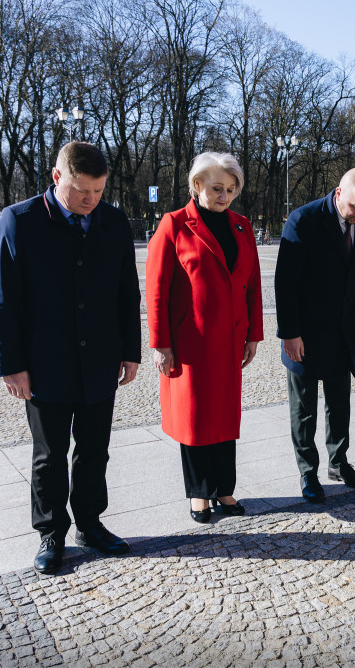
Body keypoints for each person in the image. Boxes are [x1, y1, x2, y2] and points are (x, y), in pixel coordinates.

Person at [0, 141, 142, 575]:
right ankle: (51, 533)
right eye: (81, 191)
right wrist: (10, 364)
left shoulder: (112, 221)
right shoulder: (19, 221)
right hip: (45, 362)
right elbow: (0, 299)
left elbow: (127, 291)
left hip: (100, 360)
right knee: (50, 455)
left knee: (95, 450)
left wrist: (130, 351)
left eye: (98, 191)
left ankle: (90, 524)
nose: (91, 200)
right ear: (57, 178)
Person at [145, 152, 263, 524]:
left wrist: (253, 335)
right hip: (190, 343)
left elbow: (253, 286)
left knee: (224, 418)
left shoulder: (242, 226)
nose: (225, 196)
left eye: (230, 189)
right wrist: (160, 343)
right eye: (217, 188)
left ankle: (223, 488)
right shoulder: (174, 225)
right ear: (196, 186)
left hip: (229, 341)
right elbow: (157, 289)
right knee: (195, 419)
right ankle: (199, 492)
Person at [274, 167, 355, 502]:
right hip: (305, 331)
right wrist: (290, 333)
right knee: (304, 408)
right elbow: (285, 282)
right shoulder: (303, 220)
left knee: (339, 402)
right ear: (338, 194)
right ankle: (308, 471)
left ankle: (339, 461)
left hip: (344, 330)